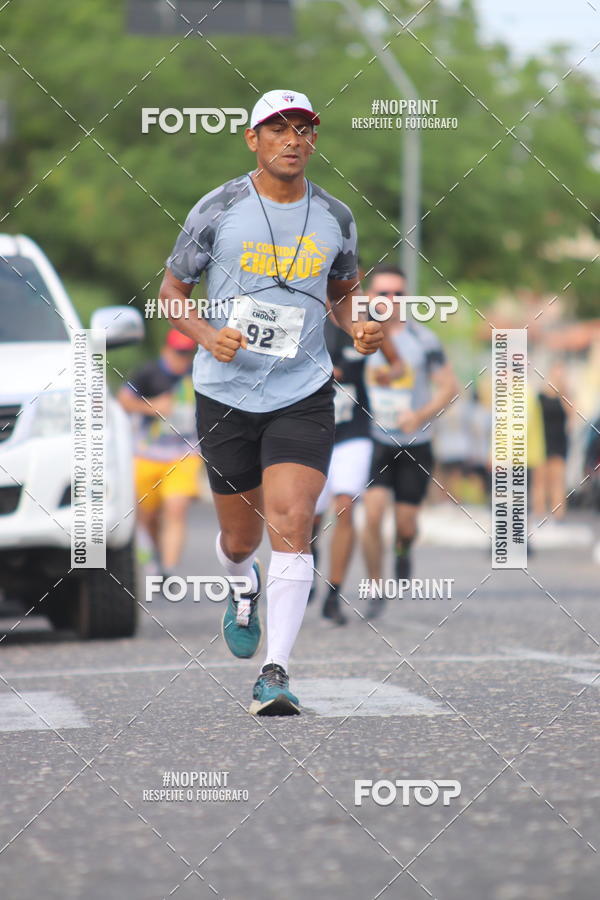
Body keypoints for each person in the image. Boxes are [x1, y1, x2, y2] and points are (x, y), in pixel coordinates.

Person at [159, 89, 383, 715]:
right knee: (239, 537)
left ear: (314, 140)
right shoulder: (220, 206)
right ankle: (241, 584)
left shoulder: (335, 214)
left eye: (304, 129)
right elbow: (173, 289)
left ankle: (275, 673)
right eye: (278, 129)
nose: (293, 139)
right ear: (253, 139)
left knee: (292, 522)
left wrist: (358, 325)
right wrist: (206, 334)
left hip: (303, 390)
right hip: (225, 393)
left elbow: (343, 292)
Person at [361, 265, 458, 619]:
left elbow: (450, 388)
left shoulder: (423, 339)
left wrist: (420, 416)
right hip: (373, 439)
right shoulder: (359, 334)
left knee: (405, 524)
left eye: (397, 295)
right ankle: (374, 586)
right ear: (370, 297)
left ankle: (403, 550)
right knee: (371, 515)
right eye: (382, 294)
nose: (389, 300)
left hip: (416, 442)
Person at [118, 329, 201, 576]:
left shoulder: (197, 374)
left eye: (187, 353)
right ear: (167, 350)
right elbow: (123, 400)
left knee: (176, 507)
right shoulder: (148, 372)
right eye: (178, 353)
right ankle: (154, 553)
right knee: (148, 515)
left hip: (184, 454)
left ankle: (169, 567)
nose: (182, 359)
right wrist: (152, 407)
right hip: (147, 454)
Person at [311, 308, 374, 625]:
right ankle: (308, 560)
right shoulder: (303, 315)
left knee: (345, 507)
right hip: (311, 431)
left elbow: (392, 360)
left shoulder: (364, 322)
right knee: (308, 517)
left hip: (353, 431)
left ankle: (333, 595)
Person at [533, 360, 572, 523]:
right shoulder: (540, 397)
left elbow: (572, 415)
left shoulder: (565, 397)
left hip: (559, 442)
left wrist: (563, 392)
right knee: (541, 480)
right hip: (542, 440)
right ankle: (539, 513)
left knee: (558, 480)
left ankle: (558, 514)